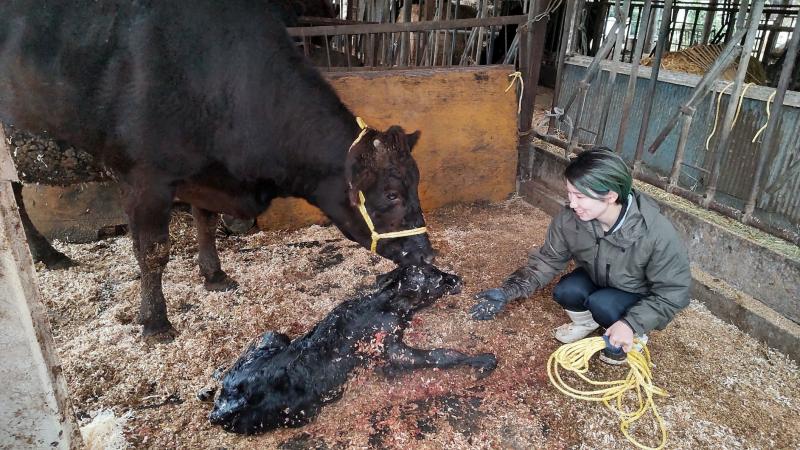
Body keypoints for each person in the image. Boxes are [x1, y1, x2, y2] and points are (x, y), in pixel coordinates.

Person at [471, 147, 690, 364]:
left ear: (611, 196)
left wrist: (631, 323)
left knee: (603, 305)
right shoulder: (571, 219)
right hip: (598, 277)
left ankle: (633, 336)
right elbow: (548, 260)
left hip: (635, 293)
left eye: (580, 196)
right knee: (567, 290)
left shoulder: (655, 233)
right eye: (569, 193)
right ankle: (586, 323)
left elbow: (673, 293)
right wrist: (508, 291)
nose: (572, 203)